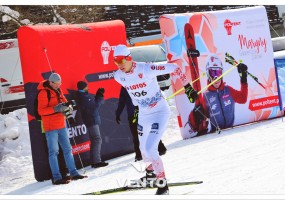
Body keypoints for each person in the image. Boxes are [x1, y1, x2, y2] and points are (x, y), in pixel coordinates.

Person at [113, 44, 197, 195]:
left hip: (159, 111)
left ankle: (163, 185)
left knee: (152, 148)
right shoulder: (118, 76)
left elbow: (174, 67)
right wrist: (137, 107)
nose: (119, 65)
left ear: (129, 58)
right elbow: (133, 91)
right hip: (144, 114)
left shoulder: (146, 69)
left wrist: (188, 87)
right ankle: (150, 175)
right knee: (143, 149)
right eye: (115, 61)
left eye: (121, 60)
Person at [37, 73, 87, 185]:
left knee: (68, 150)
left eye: (60, 84)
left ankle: (73, 173)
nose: (58, 86)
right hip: (50, 127)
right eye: (56, 84)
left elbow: (64, 102)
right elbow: (41, 111)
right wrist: (56, 108)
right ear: (51, 82)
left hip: (62, 124)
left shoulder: (59, 90)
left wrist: (68, 105)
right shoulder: (43, 93)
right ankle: (56, 177)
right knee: (53, 152)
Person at [188, 53, 248, 134]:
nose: (216, 78)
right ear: (208, 75)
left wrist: (243, 78)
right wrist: (196, 116)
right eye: (212, 73)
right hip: (216, 135)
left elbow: (243, 99)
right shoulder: (205, 96)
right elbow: (197, 122)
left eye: (218, 73)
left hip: (232, 132)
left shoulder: (228, 90)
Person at [115, 86, 167, 162]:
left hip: (143, 112)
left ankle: (160, 148)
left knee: (149, 131)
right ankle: (139, 155)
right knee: (136, 135)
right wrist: (118, 113)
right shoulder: (124, 87)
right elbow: (122, 101)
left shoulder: (138, 83)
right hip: (132, 114)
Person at [76, 81, 109, 168]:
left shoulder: (84, 96)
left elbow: (92, 104)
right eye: (87, 86)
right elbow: (95, 105)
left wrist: (98, 95)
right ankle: (97, 161)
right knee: (97, 139)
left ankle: (94, 162)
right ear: (83, 87)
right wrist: (100, 96)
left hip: (90, 119)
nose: (88, 88)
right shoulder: (83, 96)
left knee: (95, 140)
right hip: (91, 120)